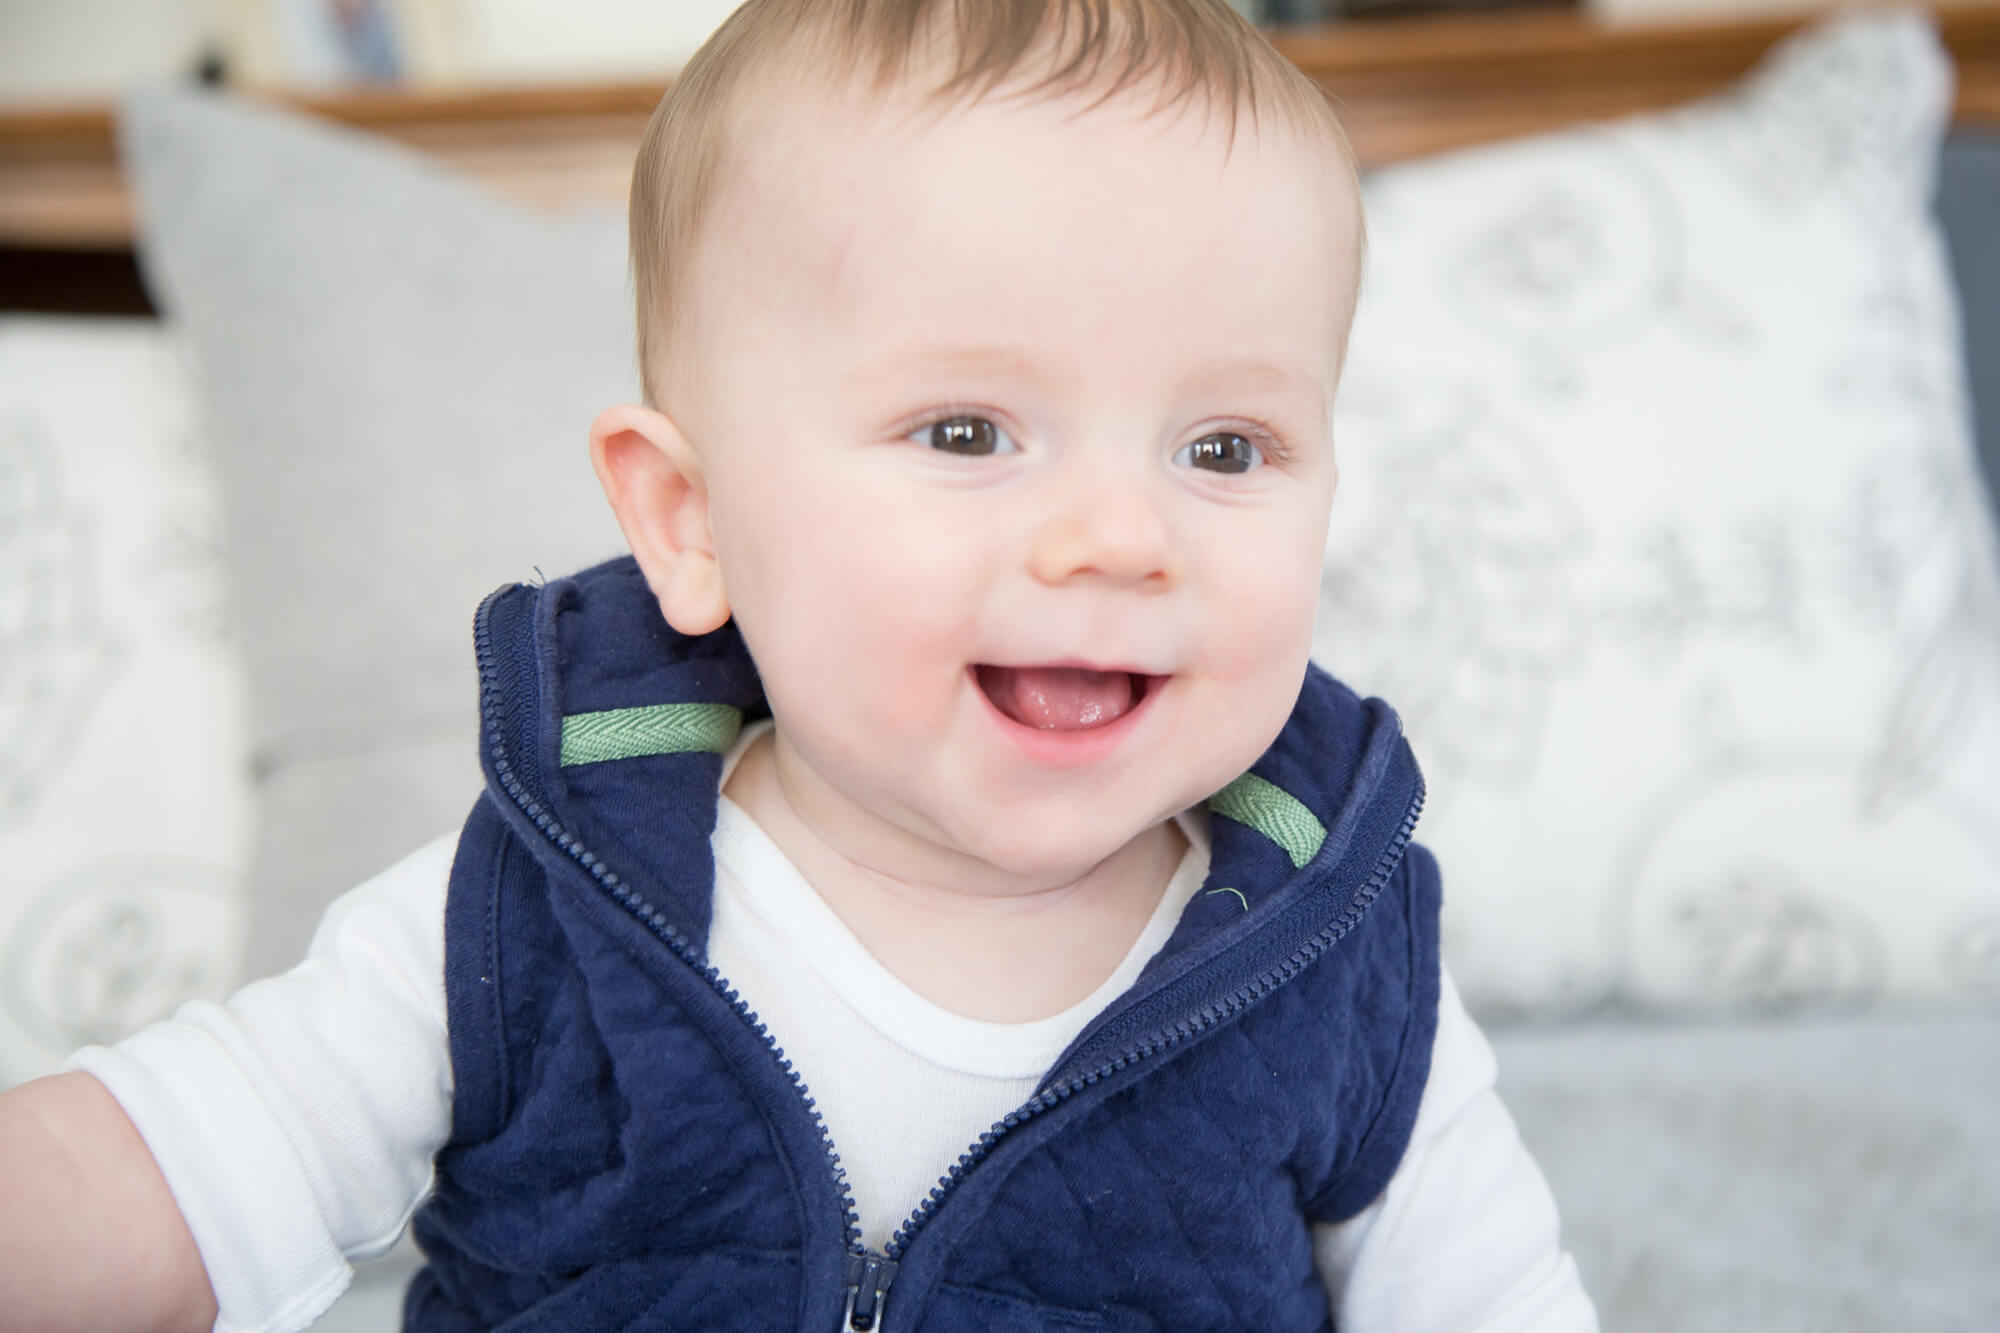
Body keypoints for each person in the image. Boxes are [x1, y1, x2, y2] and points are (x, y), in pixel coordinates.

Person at [0, 2, 1599, 1329]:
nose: (1123, 534)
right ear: (689, 519)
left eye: (1225, 444)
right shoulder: (542, 904)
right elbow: (183, 1159)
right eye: (970, 430)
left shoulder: (1333, 950)